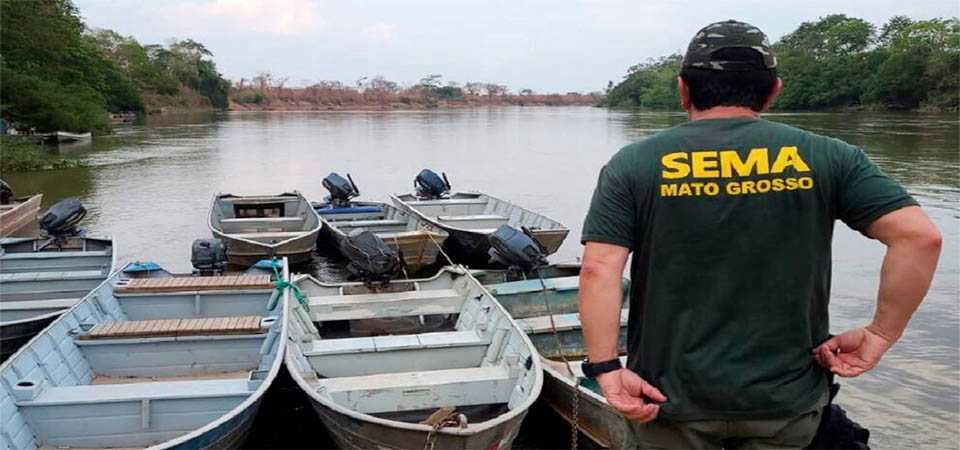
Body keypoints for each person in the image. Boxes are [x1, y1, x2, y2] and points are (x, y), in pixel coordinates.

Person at [577, 20, 942, 449]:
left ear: (683, 90)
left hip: (669, 401)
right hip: (786, 403)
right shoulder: (830, 156)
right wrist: (881, 333)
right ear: (773, 91)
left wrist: (605, 367)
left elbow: (598, 270)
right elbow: (920, 238)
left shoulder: (635, 164)